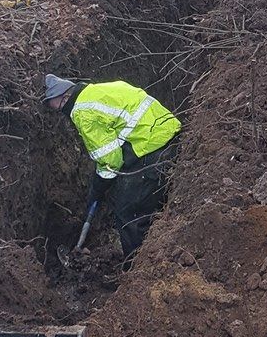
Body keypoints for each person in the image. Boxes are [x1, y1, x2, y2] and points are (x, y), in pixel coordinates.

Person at [44, 71, 181, 261]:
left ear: (63, 98)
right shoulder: (96, 91)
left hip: (152, 148)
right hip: (169, 133)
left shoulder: (82, 112)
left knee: (128, 212)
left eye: (56, 108)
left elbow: (110, 161)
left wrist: (98, 187)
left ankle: (135, 268)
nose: (59, 113)